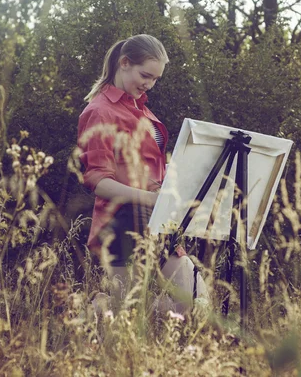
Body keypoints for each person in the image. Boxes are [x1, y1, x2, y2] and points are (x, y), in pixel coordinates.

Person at [77, 34, 207, 314]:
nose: (149, 84)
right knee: (126, 313)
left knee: (194, 302)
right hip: (122, 223)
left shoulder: (142, 109)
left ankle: (107, 311)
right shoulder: (99, 111)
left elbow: (149, 167)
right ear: (124, 63)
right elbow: (98, 181)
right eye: (145, 75)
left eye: (155, 79)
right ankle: (97, 309)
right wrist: (150, 198)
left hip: (159, 223)